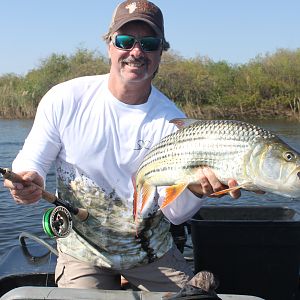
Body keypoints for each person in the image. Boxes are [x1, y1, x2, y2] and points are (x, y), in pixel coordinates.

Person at [4, 0, 240, 292]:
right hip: (82, 251)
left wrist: (195, 191)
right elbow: (31, 161)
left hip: (150, 252)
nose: (136, 52)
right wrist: (27, 180)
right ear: (109, 46)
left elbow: (175, 214)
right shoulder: (65, 98)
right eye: (125, 41)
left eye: (149, 43)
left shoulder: (172, 123)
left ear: (160, 53)